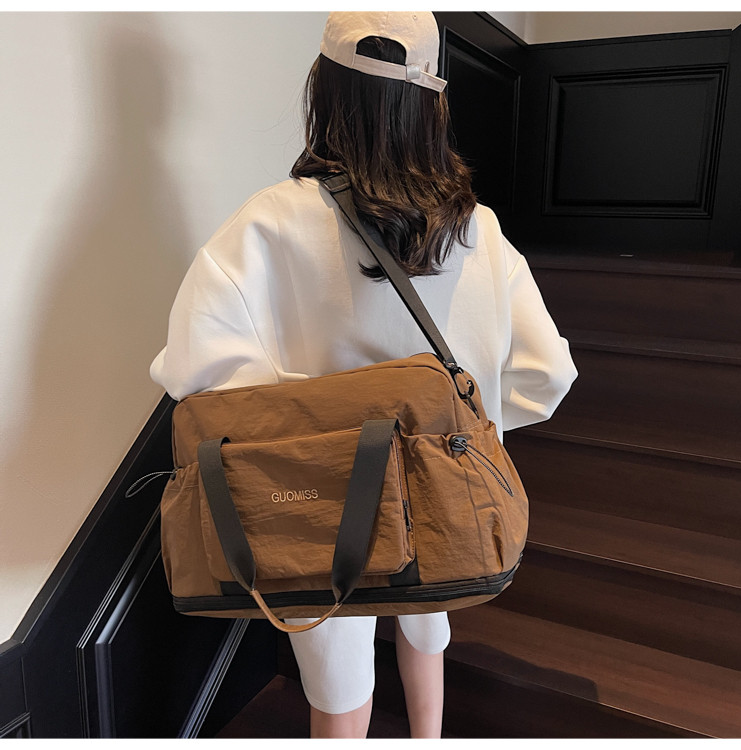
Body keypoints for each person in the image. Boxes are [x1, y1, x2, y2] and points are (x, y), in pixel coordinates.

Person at [149, 11, 577, 739]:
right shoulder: (478, 231)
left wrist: (310, 408)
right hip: (443, 486)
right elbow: (547, 374)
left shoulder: (267, 223)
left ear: (325, 89)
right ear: (433, 101)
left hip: (314, 498)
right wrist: (461, 421)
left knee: (338, 686)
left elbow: (197, 374)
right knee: (428, 616)